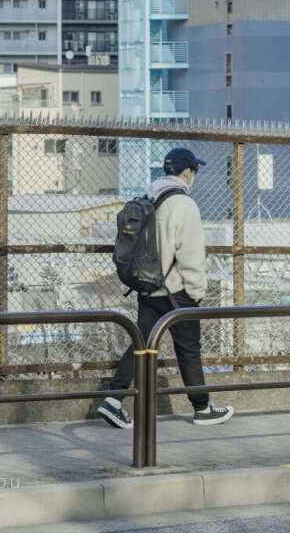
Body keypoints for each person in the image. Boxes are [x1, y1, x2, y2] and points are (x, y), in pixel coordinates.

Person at [97, 147, 234, 428]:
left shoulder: (150, 197)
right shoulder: (185, 204)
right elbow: (191, 255)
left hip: (147, 288)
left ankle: (113, 400)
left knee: (141, 346)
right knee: (189, 351)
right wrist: (196, 293)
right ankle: (203, 408)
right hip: (177, 292)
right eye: (194, 170)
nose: (194, 176)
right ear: (187, 172)